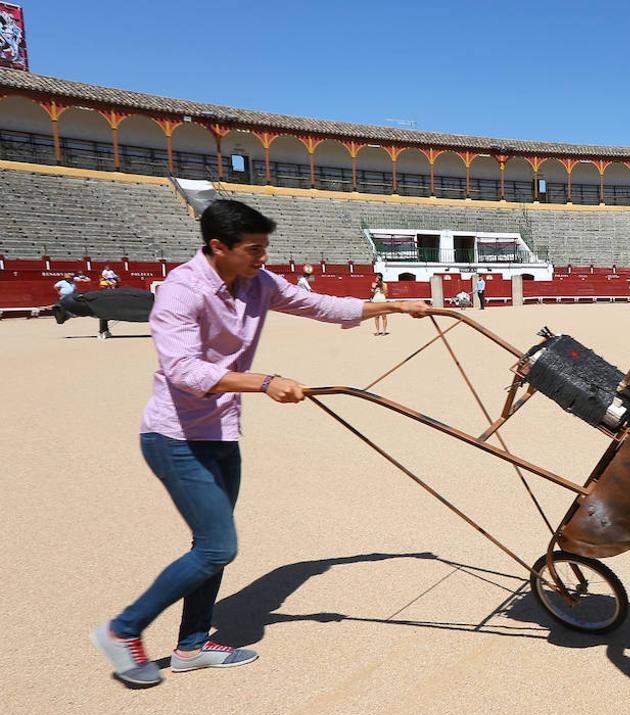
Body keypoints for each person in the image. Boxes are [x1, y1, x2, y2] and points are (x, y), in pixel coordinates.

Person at [88, 199, 430, 688]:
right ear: (218, 247)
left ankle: (191, 645)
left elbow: (322, 306)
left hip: (222, 433)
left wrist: (395, 303)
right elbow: (184, 372)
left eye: (265, 248)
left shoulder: (258, 282)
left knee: (208, 545)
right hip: (175, 436)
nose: (262, 258)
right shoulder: (180, 292)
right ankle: (122, 631)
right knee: (216, 547)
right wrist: (264, 382)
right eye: (253, 249)